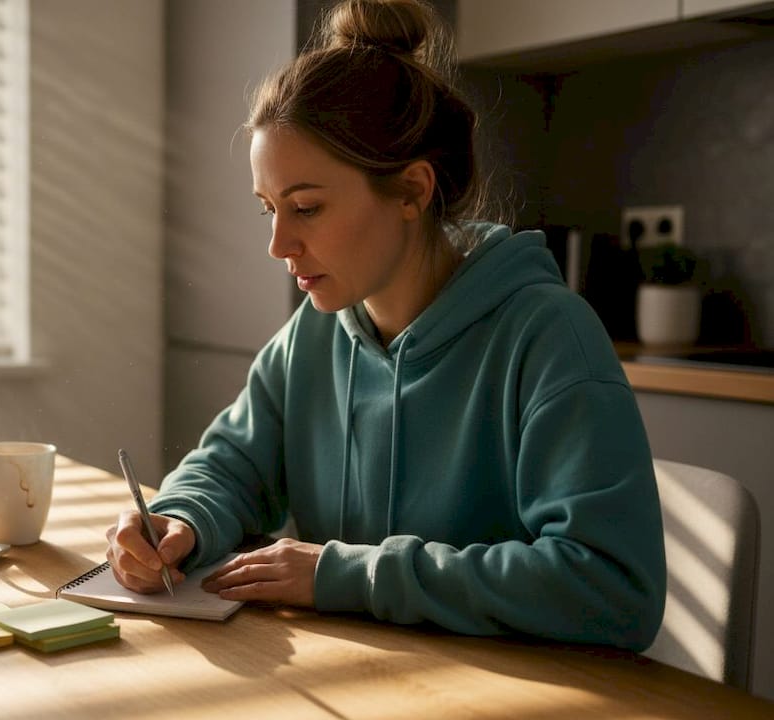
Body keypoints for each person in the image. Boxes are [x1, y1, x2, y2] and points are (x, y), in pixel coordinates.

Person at [105, 0, 666, 651]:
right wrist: (179, 521)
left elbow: (613, 587)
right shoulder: (311, 339)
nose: (279, 244)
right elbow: (230, 469)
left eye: (307, 208)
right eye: (269, 211)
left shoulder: (546, 338)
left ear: (411, 190)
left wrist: (347, 575)